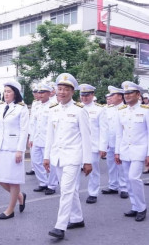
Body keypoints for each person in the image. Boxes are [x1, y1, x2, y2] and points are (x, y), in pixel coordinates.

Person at [43, 73, 92, 240]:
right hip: (57, 156)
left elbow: (86, 138)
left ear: (72, 92)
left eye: (66, 89)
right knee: (69, 190)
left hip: (73, 156)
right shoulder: (53, 110)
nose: (62, 92)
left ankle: (60, 226)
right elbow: (50, 135)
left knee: (66, 190)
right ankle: (77, 219)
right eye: (60, 89)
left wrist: (87, 161)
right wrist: (46, 157)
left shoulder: (79, 111)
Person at [0, 80, 29, 219]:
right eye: (5, 91)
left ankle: (10, 210)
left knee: (13, 180)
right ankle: (19, 196)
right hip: (1, 147)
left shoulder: (21, 108)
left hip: (14, 149)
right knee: (0, 178)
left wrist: (20, 150)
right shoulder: (0, 107)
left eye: (9, 91)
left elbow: (24, 130)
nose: (6, 94)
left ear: (15, 93)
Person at [115, 81, 149, 222]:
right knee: (128, 180)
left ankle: (142, 208)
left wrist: (148, 154)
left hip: (140, 150)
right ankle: (134, 206)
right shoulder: (121, 111)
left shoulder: (145, 111)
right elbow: (119, 134)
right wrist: (117, 152)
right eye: (125, 93)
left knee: (134, 178)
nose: (127, 96)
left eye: (130, 93)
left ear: (138, 94)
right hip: (125, 150)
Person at [78, 84, 108, 204]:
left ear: (92, 95)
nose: (84, 98)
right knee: (74, 170)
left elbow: (104, 129)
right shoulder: (76, 108)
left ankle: (93, 193)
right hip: (77, 145)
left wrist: (102, 147)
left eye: (87, 95)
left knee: (94, 170)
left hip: (93, 145)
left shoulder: (99, 109)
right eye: (82, 95)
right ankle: (73, 192)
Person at [30, 83, 58, 195]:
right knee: (36, 161)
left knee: (51, 164)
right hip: (37, 138)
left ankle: (52, 185)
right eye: (39, 92)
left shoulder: (54, 106)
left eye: (43, 92)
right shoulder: (37, 106)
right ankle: (43, 183)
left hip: (48, 139)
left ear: (48, 93)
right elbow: (34, 123)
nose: (40, 95)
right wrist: (31, 137)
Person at [102, 86, 128, 198]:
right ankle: (113, 186)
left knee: (121, 166)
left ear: (120, 97)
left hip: (122, 143)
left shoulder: (126, 109)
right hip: (110, 142)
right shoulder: (108, 109)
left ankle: (124, 188)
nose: (110, 97)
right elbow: (105, 128)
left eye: (113, 95)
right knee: (111, 165)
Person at [27, 83, 40, 176]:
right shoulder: (34, 102)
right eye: (34, 92)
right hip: (33, 130)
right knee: (33, 151)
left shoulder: (43, 103)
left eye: (36, 92)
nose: (35, 94)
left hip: (40, 132)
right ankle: (33, 168)